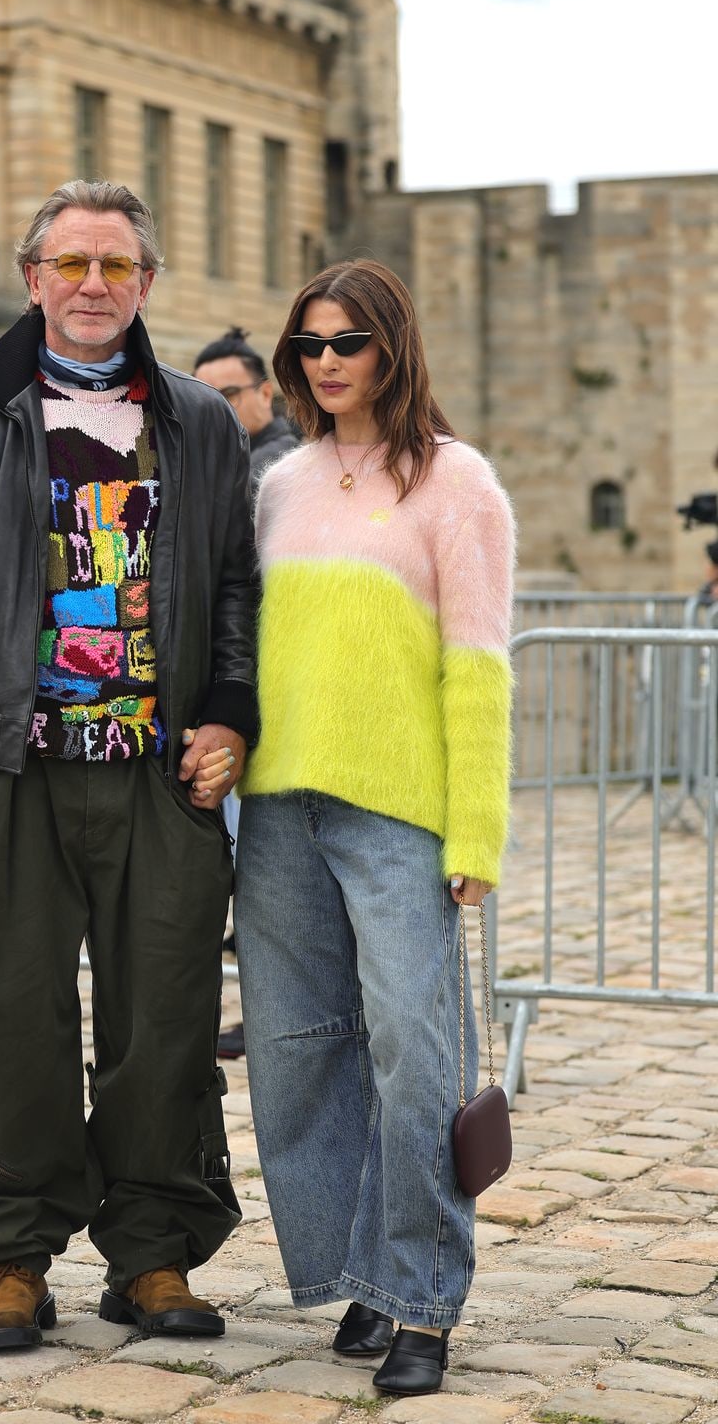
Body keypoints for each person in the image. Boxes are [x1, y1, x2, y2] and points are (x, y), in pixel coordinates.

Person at [0, 179, 258, 1352]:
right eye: (72, 263)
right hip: (6, 770)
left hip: (154, 773)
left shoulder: (197, 420)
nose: (95, 285)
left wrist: (229, 715)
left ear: (147, 283)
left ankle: (152, 1255)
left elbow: (239, 588)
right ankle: (10, 1255)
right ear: (32, 276)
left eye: (118, 267)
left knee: (164, 1021)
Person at [225, 259, 515, 1398]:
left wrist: (474, 839)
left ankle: (424, 1302)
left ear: (393, 345)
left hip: (400, 815)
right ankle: (362, 1275)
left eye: (347, 341)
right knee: (300, 1056)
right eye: (309, 346)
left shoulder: (457, 484)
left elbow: (479, 669)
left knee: (414, 1056)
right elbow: (255, 648)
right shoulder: (282, 483)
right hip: (281, 811)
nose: (327, 362)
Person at [192, 329, 300, 1061]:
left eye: (231, 393)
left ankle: (275, 1018)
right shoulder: (230, 459)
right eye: (208, 396)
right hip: (238, 694)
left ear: (265, 392)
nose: (221, 408)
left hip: (269, 697)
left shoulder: (277, 468)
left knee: (268, 887)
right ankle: (266, 1015)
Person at [193, 328, 301, 497]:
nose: (216, 409)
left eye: (228, 394)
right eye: (204, 399)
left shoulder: (279, 461)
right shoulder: (217, 459)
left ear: (265, 394)